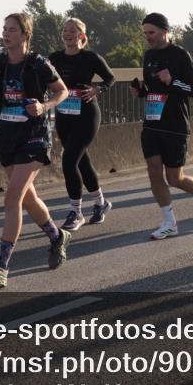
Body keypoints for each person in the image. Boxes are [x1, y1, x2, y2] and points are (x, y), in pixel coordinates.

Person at [0, 13, 70, 287]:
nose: (6, 34)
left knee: (12, 196)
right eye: (4, 29)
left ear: (25, 34)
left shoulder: (38, 64)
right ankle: (56, 236)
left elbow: (62, 91)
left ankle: (2, 266)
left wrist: (44, 107)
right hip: (7, 136)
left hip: (34, 137)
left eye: (12, 30)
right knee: (27, 198)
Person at [129, 13, 193, 239]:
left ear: (165, 31)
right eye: (145, 33)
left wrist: (172, 81)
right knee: (153, 171)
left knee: (174, 178)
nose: (148, 37)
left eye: (152, 32)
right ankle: (169, 222)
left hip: (175, 124)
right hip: (152, 122)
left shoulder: (180, 55)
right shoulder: (148, 56)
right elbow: (152, 90)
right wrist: (141, 92)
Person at [49, 18, 116, 230]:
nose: (68, 34)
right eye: (65, 31)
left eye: (73, 31)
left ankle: (76, 212)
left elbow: (110, 78)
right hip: (64, 115)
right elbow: (43, 79)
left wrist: (98, 90)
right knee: (81, 161)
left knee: (69, 160)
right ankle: (101, 203)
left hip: (87, 115)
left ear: (82, 36)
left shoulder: (90, 57)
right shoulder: (55, 58)